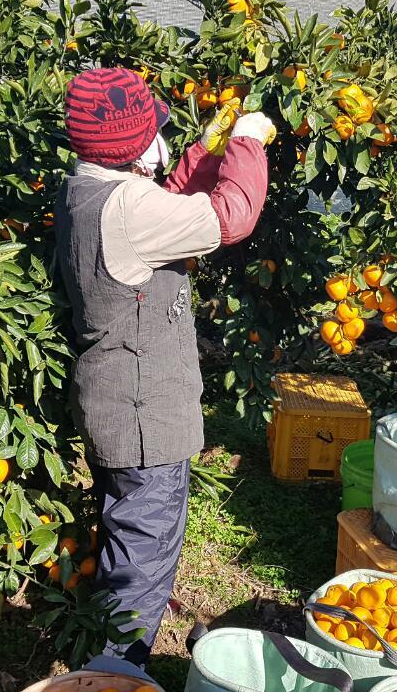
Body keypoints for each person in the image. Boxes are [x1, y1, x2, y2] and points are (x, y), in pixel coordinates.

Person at [56, 66, 274, 658]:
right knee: (143, 556)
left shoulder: (85, 188)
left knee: (127, 533)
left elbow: (166, 206)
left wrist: (205, 152)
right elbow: (232, 215)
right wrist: (248, 143)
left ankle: (104, 650)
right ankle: (115, 677)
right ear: (134, 143)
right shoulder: (129, 208)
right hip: (145, 418)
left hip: (112, 403)